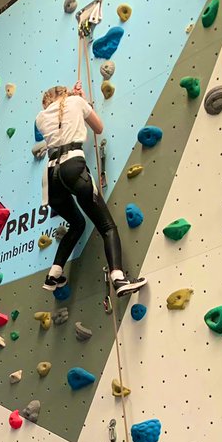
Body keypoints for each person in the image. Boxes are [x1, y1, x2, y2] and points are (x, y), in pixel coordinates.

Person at [36, 83, 146, 299]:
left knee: (77, 224)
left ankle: (55, 272)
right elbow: (98, 127)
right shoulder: (76, 102)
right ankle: (118, 278)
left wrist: (78, 100)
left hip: (51, 176)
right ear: (65, 94)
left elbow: (59, 126)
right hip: (72, 167)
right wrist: (83, 100)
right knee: (107, 226)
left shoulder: (40, 117)